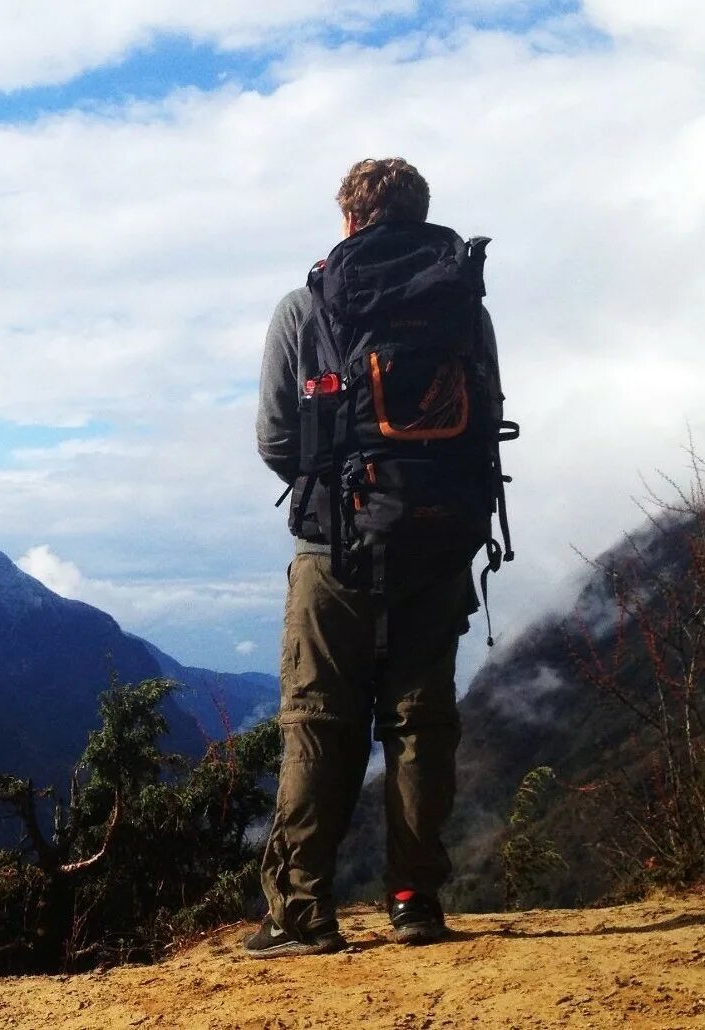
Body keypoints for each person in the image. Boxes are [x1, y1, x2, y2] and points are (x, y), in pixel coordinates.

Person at [245, 158, 499, 958]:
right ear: (421, 214)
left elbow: (275, 439)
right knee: (421, 721)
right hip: (440, 538)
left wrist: (341, 488)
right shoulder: (462, 305)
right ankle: (413, 902)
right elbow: (485, 418)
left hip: (333, 545)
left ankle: (301, 915)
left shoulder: (305, 305)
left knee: (319, 721)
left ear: (349, 218)